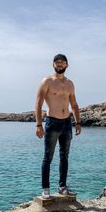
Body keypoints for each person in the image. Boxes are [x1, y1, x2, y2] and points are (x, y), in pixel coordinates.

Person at [34, 54, 81, 199]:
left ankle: (62, 187)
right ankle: (46, 189)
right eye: (57, 62)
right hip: (52, 122)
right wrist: (38, 124)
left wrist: (77, 122)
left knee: (64, 157)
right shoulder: (47, 81)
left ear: (67, 65)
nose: (59, 64)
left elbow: (73, 104)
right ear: (53, 65)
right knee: (48, 157)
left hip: (67, 123)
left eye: (62, 62)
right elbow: (38, 103)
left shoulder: (70, 84)